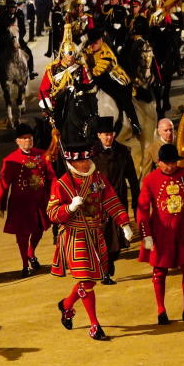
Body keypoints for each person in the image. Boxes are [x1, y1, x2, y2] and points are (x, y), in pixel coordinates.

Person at [49, 143, 135, 341]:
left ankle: (67, 305)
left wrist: (124, 224)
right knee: (86, 280)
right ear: (72, 162)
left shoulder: (97, 178)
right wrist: (69, 208)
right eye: (81, 160)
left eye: (87, 159)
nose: (86, 163)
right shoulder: (62, 183)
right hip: (74, 234)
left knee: (90, 280)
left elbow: (111, 200)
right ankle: (95, 325)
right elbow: (52, 213)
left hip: (96, 233)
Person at [138, 144, 184, 324]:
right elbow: (143, 209)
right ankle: (161, 310)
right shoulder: (150, 180)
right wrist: (146, 234)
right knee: (159, 270)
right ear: (158, 162)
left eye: (173, 163)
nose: (171, 167)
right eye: (166, 163)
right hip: (161, 232)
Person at [0, 123, 54, 276]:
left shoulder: (42, 155)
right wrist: (0, 205)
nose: (28, 141)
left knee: (39, 231)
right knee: (22, 235)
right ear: (17, 141)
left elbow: (51, 178)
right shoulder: (10, 160)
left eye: (30, 138)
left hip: (39, 203)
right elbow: (4, 184)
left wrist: (55, 197)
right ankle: (24, 265)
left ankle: (31, 252)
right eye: (24, 138)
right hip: (20, 205)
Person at [92, 116, 139, 284]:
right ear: (98, 135)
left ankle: (110, 261)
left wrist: (136, 200)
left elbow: (132, 178)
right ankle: (105, 270)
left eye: (111, 134)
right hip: (98, 202)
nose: (109, 137)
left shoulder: (123, 151)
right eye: (105, 134)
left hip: (118, 200)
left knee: (118, 239)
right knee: (103, 237)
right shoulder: (92, 154)